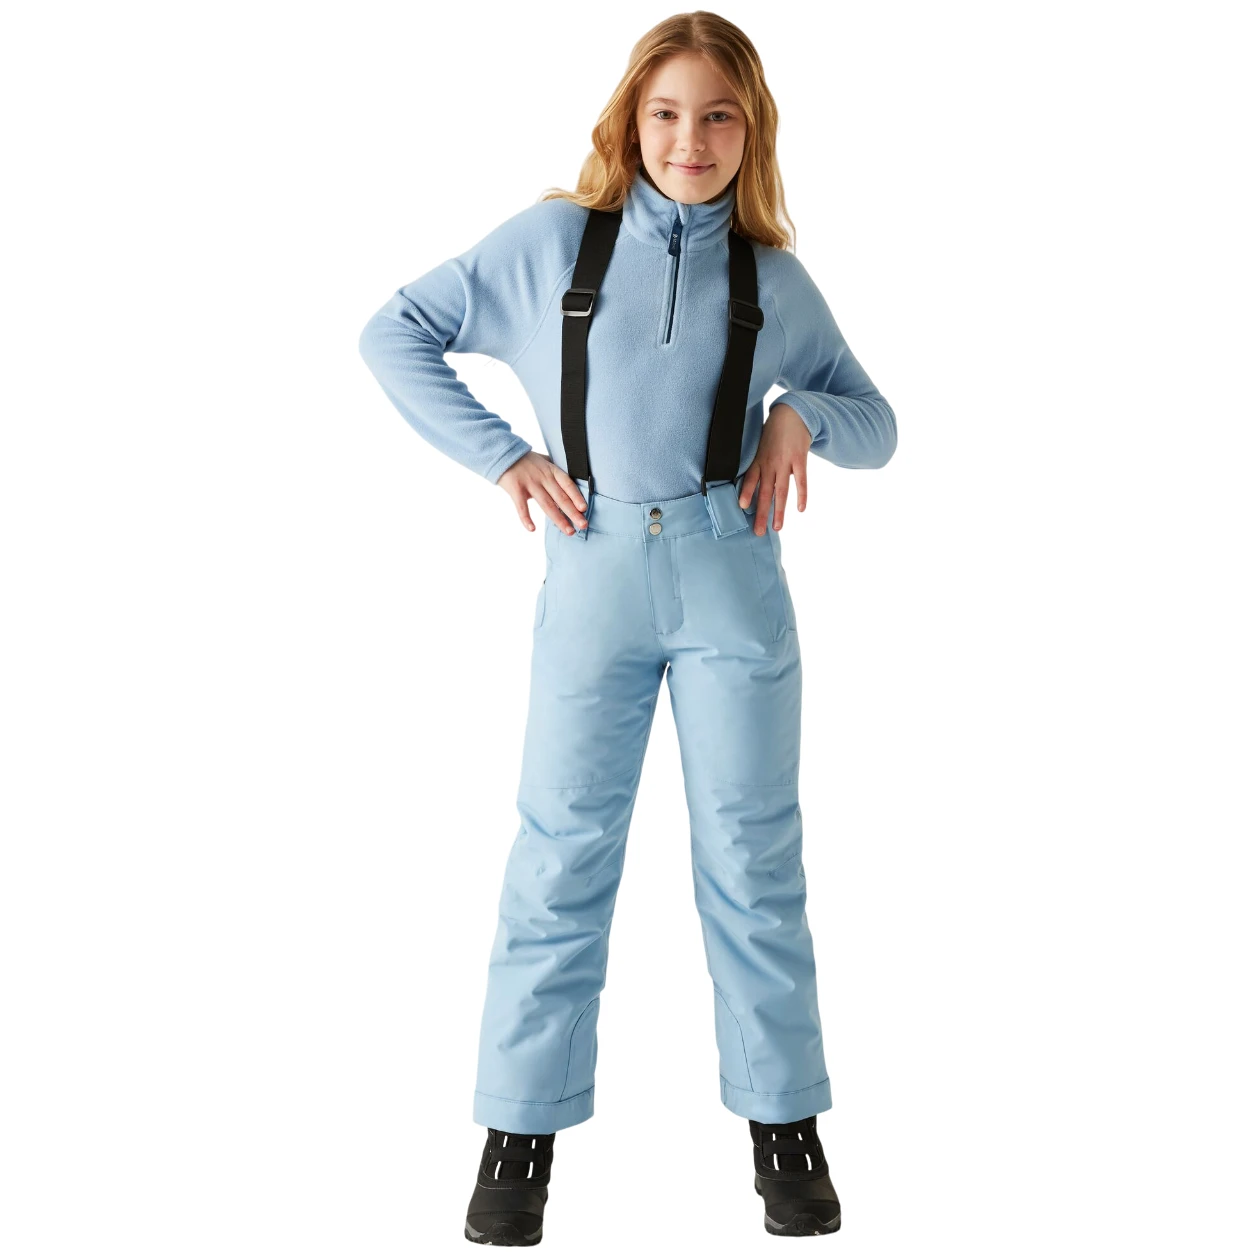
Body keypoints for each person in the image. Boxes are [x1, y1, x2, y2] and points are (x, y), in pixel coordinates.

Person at [358, 10, 896, 1245]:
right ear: (629, 122)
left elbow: (880, 421)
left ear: (750, 130)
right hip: (592, 569)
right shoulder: (555, 245)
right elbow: (393, 333)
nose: (689, 139)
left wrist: (802, 416)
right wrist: (504, 457)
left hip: (727, 576)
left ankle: (784, 1124)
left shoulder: (771, 279)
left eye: (717, 115)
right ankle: (518, 1132)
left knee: (753, 861)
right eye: (665, 113)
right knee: (560, 856)